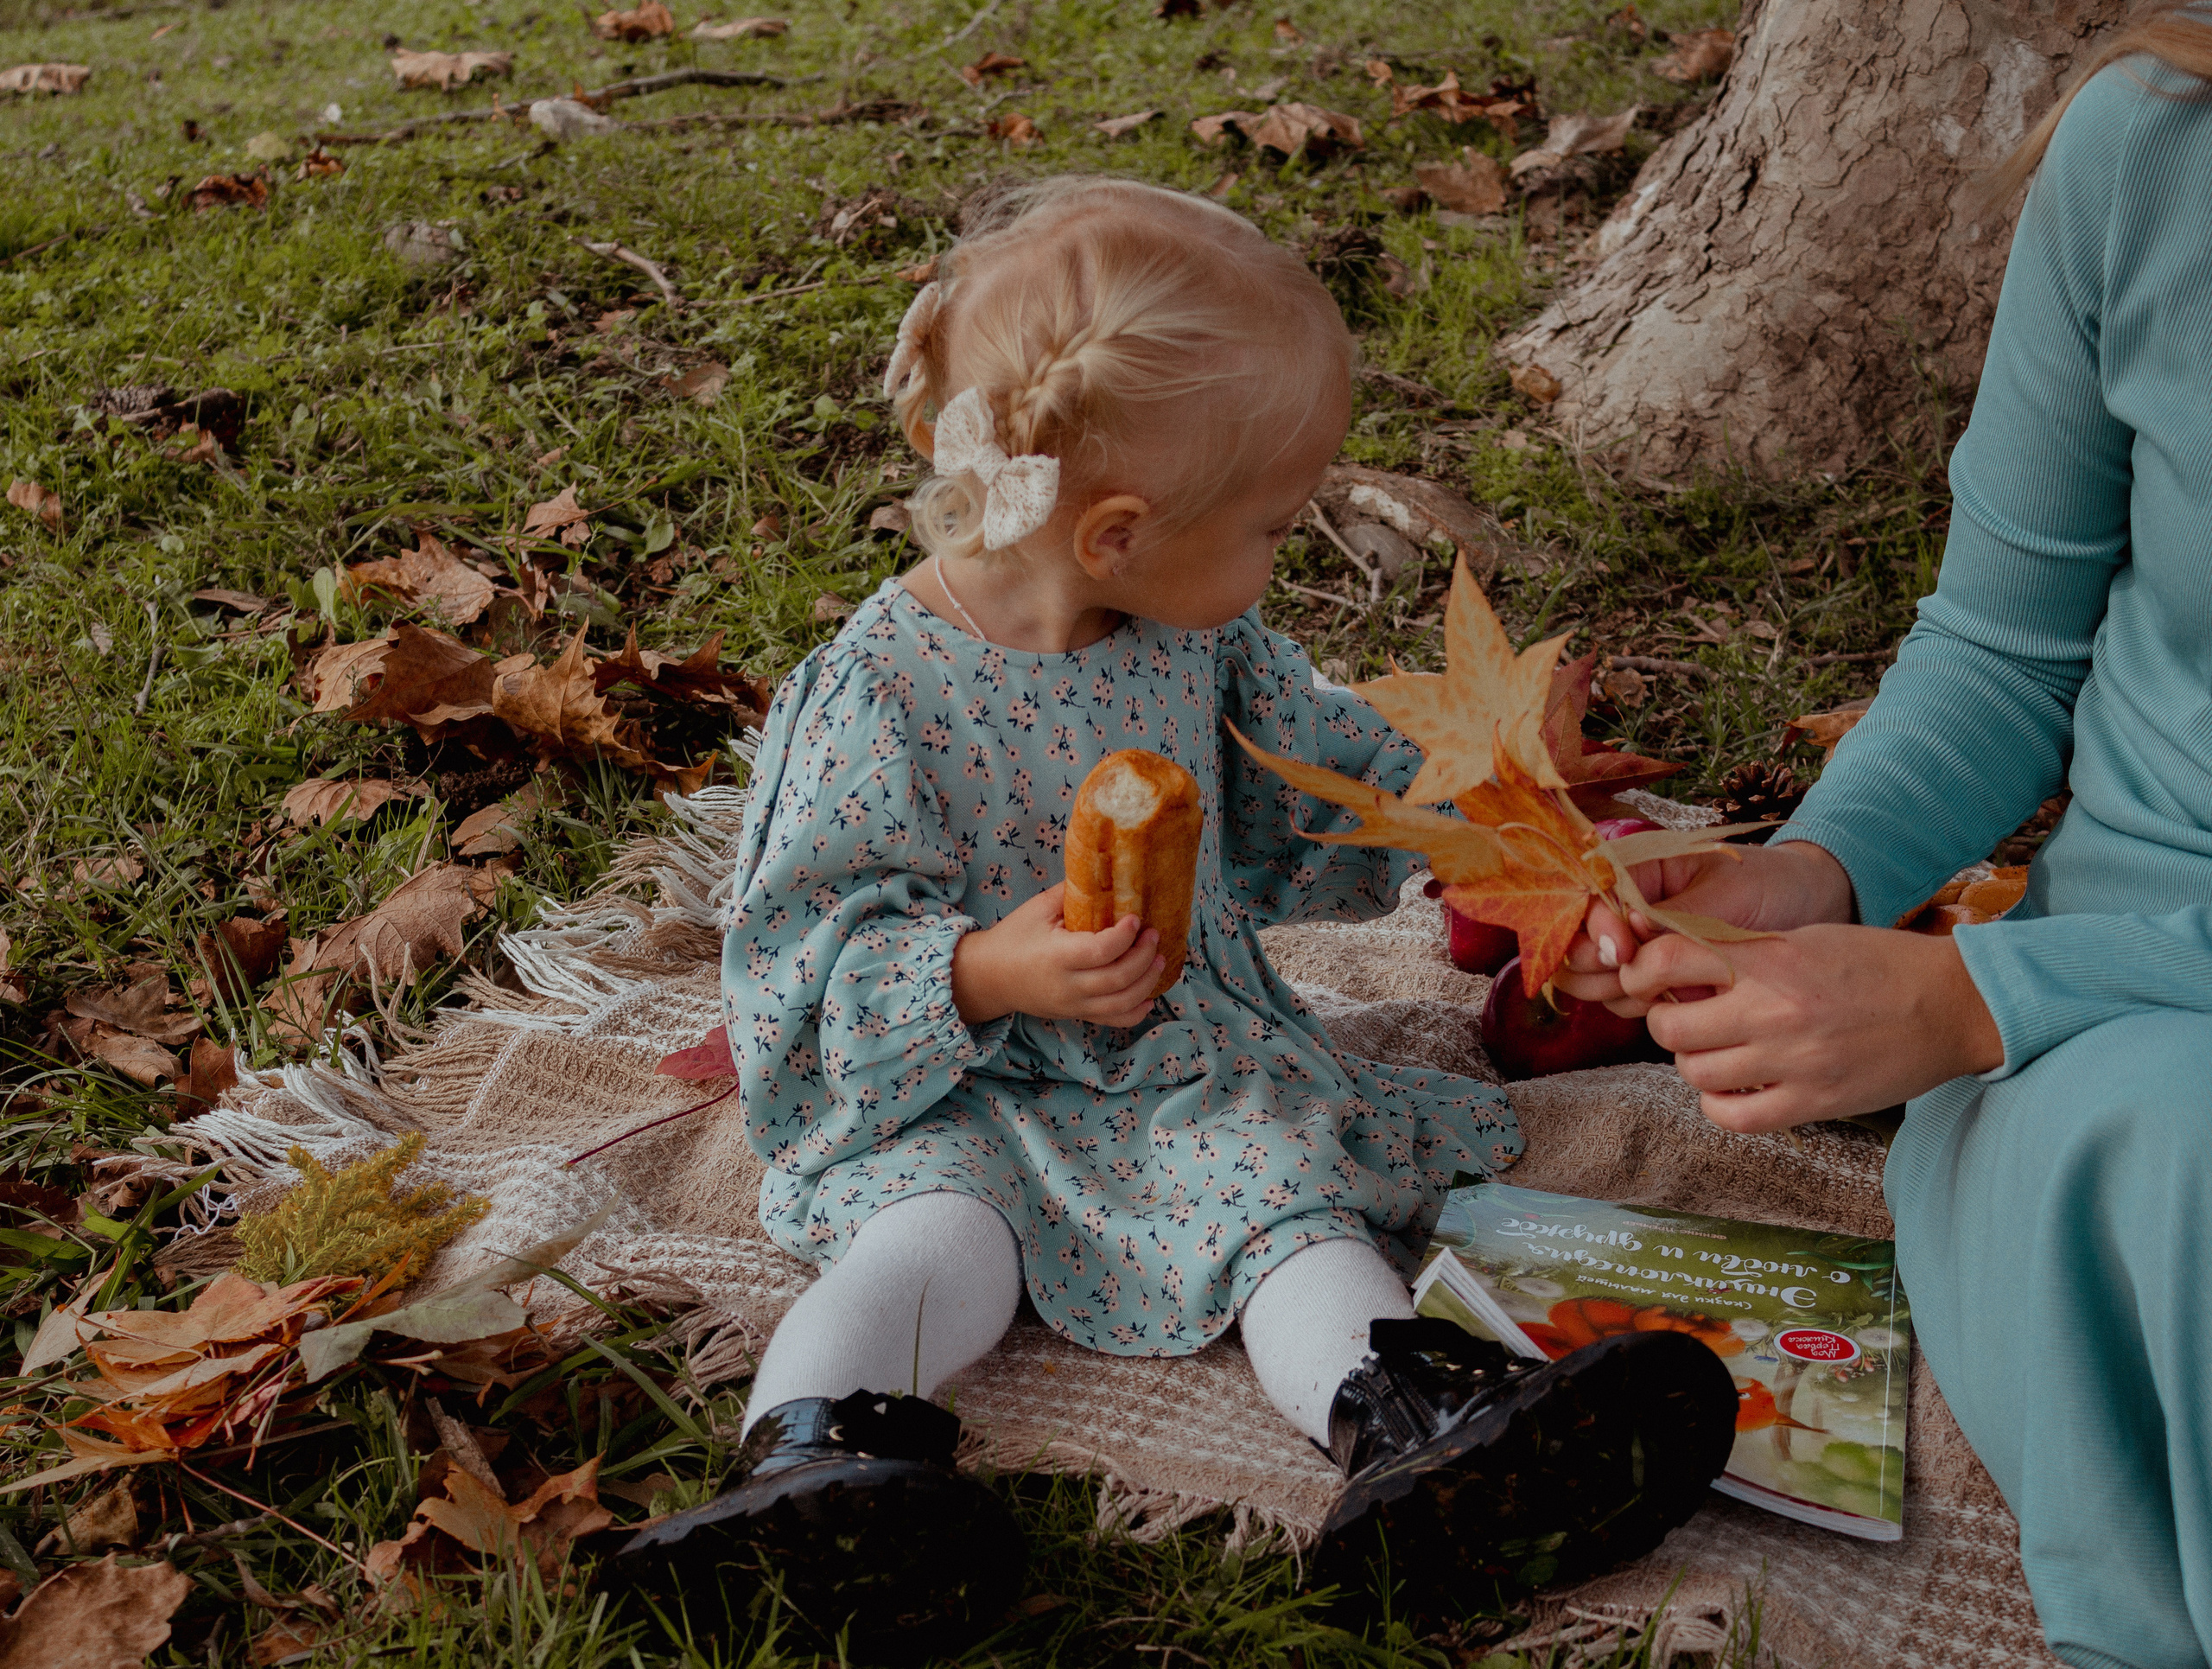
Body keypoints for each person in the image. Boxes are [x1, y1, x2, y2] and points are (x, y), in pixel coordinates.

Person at [620, 177, 1735, 1633]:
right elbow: (794, 950)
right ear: (1118, 533)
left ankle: (1419, 1435)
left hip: (1178, 1061)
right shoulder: (876, 694)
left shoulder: (1196, 643)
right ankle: (814, 1462)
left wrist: (1491, 796)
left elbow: (1326, 773)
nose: (1285, 553)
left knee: (1288, 1201)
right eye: (1277, 525)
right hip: (963, 1082)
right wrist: (980, 972)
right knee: (935, 1239)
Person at [1556, 10, 2212, 1666]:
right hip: (2107, 1074)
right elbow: (2006, 643)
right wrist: (1821, 872)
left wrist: (1983, 999)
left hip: (2053, 1005)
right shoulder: (2149, 146)